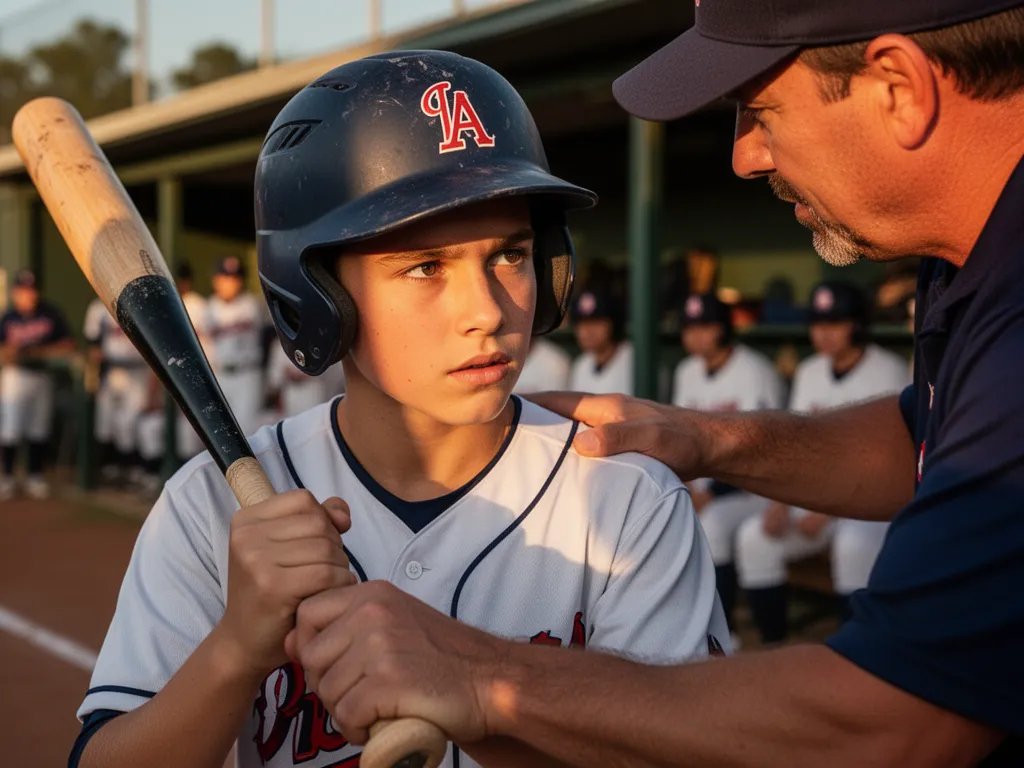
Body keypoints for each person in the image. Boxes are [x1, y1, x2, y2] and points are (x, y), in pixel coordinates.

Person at [267, 4, 1024, 766]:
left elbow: (895, 727)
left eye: (759, 110)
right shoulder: (974, 255)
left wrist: (480, 676)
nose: (746, 156)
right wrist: (709, 438)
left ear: (900, 87)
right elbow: (926, 440)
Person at [71, 51, 728, 768]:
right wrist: (234, 650)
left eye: (510, 255)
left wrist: (483, 695)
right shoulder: (211, 508)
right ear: (320, 295)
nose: (486, 311)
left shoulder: (627, 498)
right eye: (424, 267)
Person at [736, 281, 910, 644]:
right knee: (755, 538)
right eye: (818, 323)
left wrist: (828, 510)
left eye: (835, 323)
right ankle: (773, 645)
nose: (824, 333)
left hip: (870, 502)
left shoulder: (889, 371)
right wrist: (782, 500)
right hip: (814, 497)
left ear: (857, 325)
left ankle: (857, 649)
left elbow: (892, 458)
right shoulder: (810, 371)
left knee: (853, 546)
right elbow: (795, 445)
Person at [671, 292, 784, 639]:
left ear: (723, 329)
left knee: (714, 524)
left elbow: (766, 447)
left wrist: (712, 493)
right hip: (704, 489)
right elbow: (679, 435)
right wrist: (690, 487)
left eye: (705, 327)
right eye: (690, 328)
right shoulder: (686, 370)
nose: (696, 335)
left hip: (754, 489)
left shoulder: (754, 370)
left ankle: (732, 632)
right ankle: (712, 629)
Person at [0, 269, 74, 500]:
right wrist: (10, 352)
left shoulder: (50, 313)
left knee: (38, 428)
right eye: (23, 291)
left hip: (43, 376)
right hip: (15, 376)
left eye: (31, 291)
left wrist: (38, 351)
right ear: (15, 293)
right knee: (11, 428)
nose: (28, 296)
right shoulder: (8, 317)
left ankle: (34, 475)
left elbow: (68, 344)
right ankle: (8, 477)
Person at [84, 297, 149, 487]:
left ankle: (135, 468)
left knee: (132, 420)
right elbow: (93, 342)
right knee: (107, 422)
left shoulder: (140, 303)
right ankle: (115, 466)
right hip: (111, 371)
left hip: (139, 370)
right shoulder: (98, 308)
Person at [203, 255, 268, 438]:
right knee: (218, 432)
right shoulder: (209, 308)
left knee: (247, 432)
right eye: (225, 278)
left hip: (247, 374)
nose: (230, 283)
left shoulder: (252, 304)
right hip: (219, 374)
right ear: (216, 280)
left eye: (234, 278)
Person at [568, 287, 633, 395]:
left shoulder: (634, 360)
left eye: (595, 322)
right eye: (582, 324)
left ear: (612, 324)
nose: (587, 331)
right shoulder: (581, 366)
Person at [264, 341, 346, 420]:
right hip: (290, 397)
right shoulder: (280, 346)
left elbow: (331, 372)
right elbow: (275, 379)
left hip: (313, 395)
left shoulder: (320, 344)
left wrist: (307, 373)